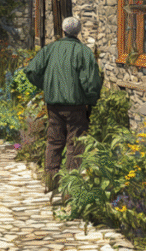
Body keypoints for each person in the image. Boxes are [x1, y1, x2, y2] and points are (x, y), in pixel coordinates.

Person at [24, 16, 103, 194]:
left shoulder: (50, 49)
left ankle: (51, 182)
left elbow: (31, 71)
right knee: (75, 144)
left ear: (63, 30)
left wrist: (47, 86)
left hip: (53, 106)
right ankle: (70, 187)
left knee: (54, 142)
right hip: (76, 106)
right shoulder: (83, 52)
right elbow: (90, 82)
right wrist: (91, 100)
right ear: (78, 32)